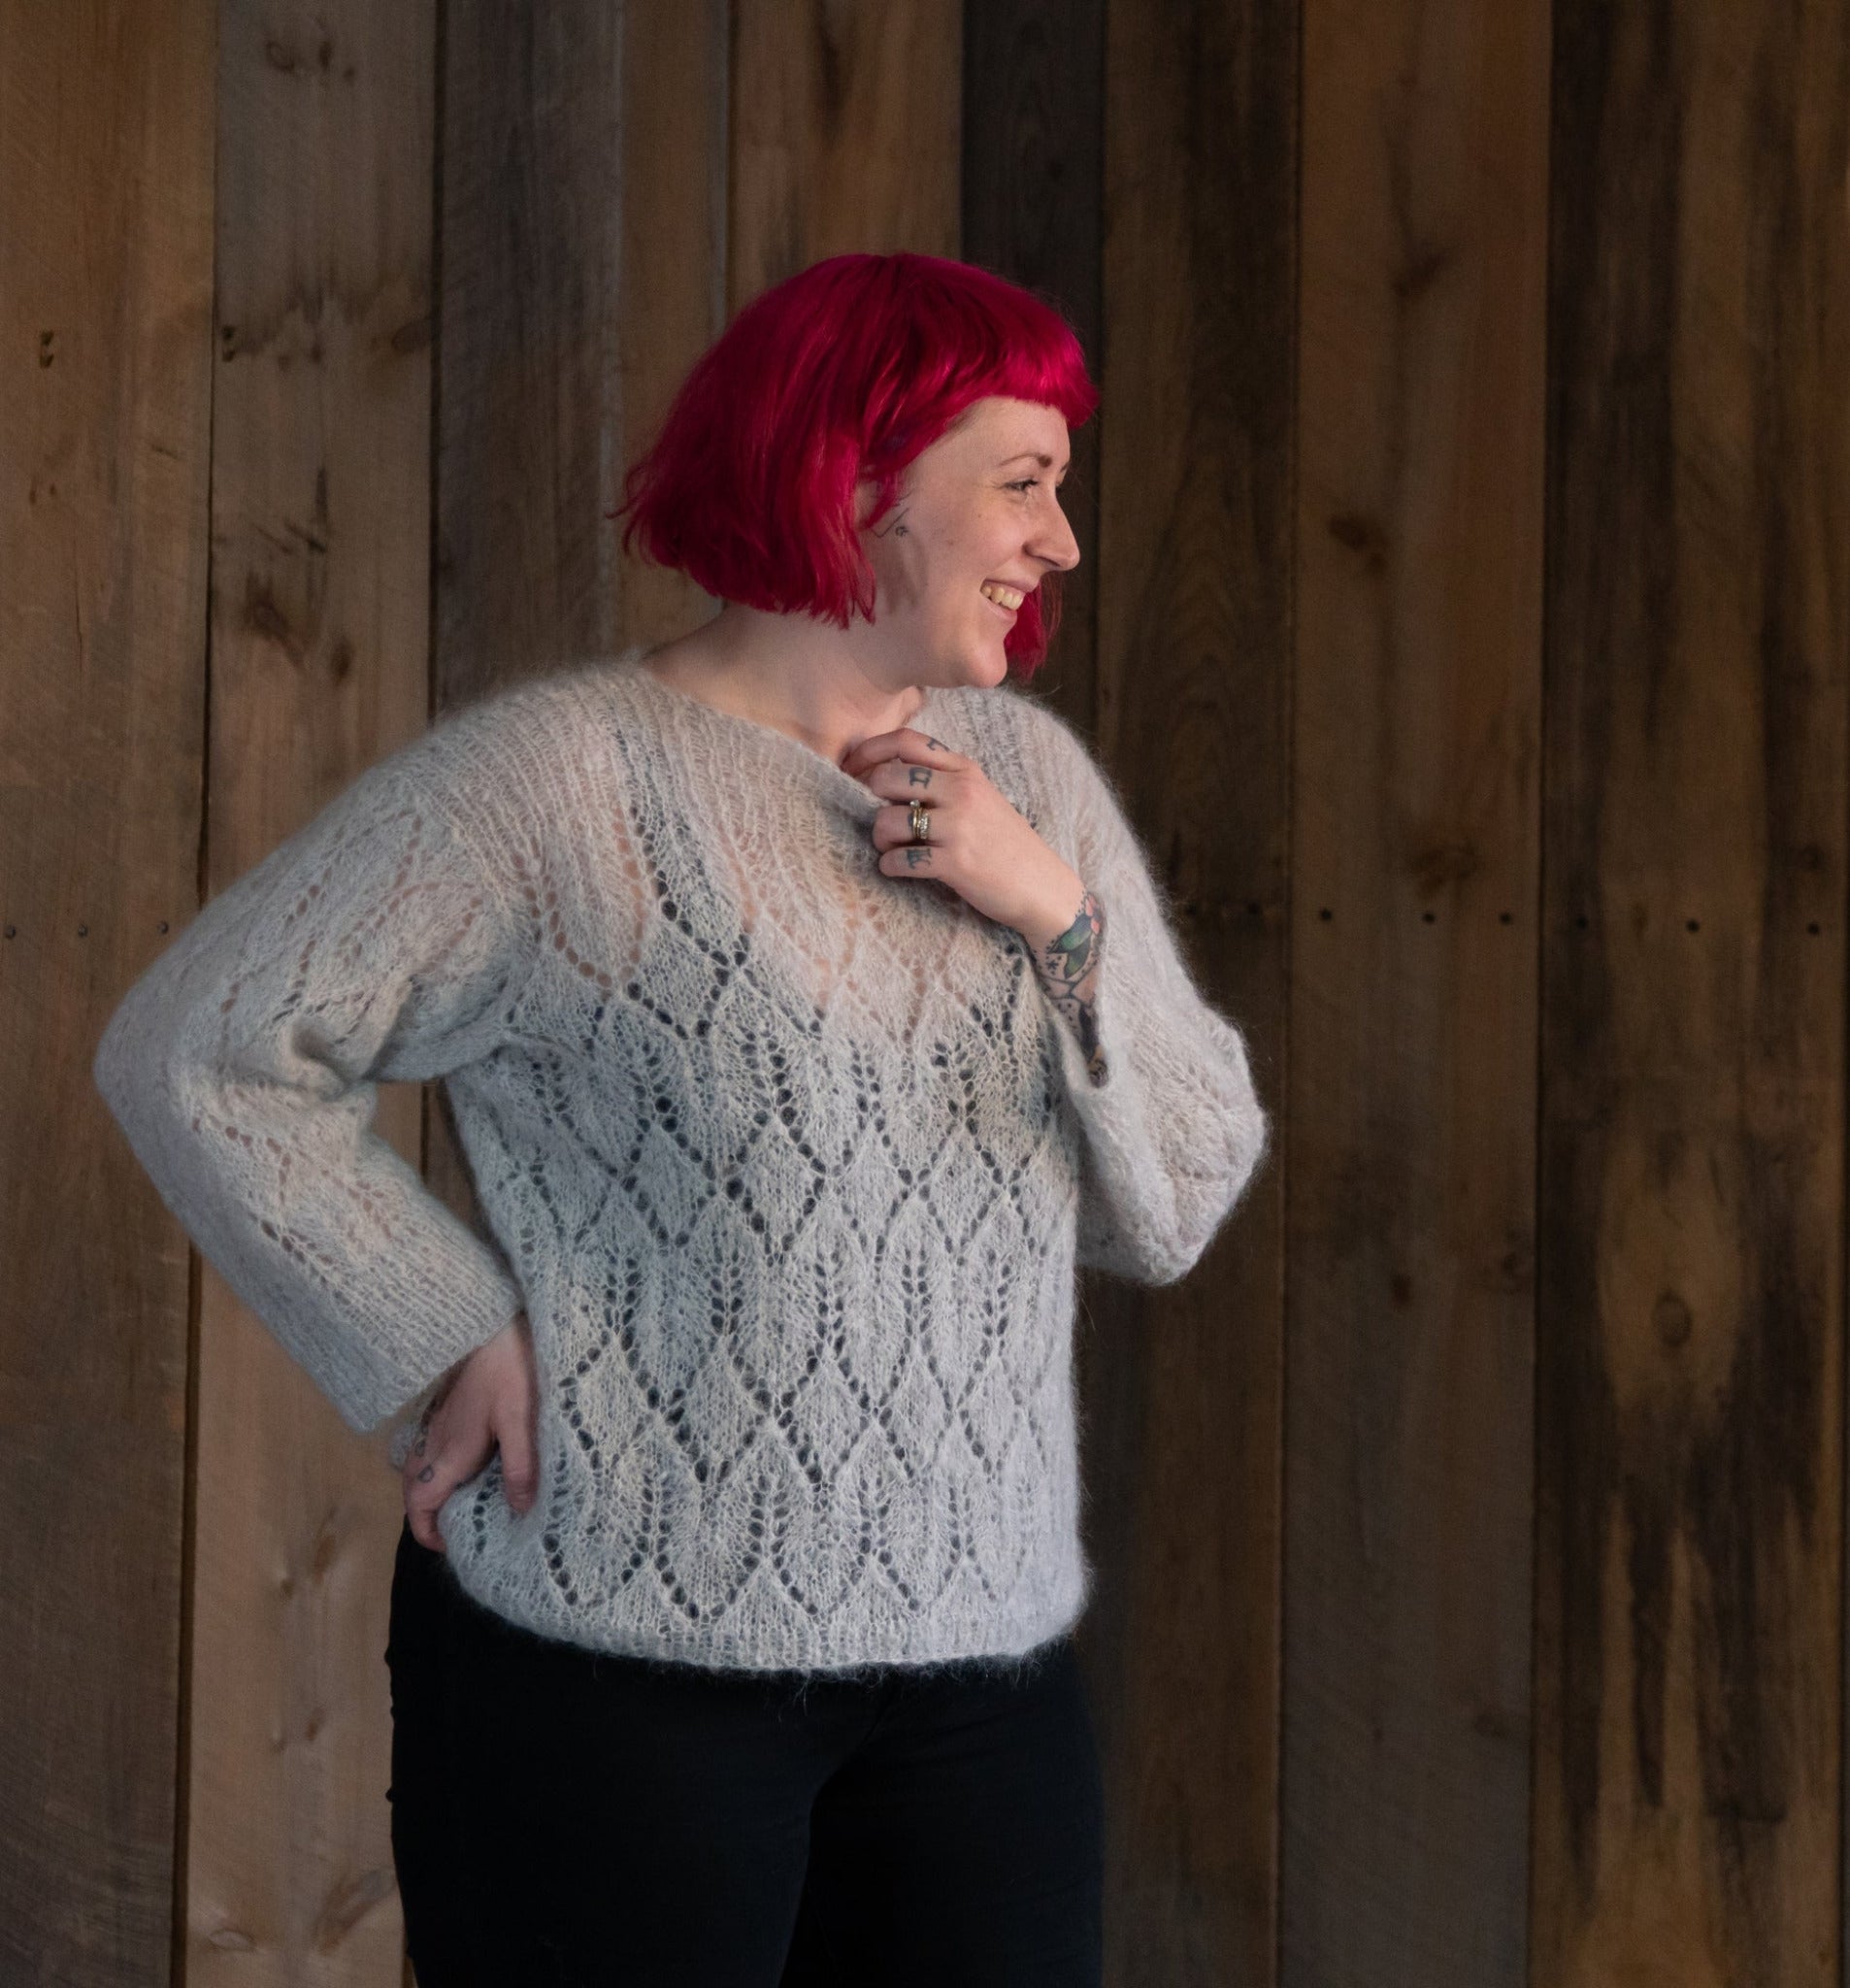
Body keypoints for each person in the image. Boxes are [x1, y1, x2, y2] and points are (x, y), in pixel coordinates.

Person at [92, 250, 1272, 1986]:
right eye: (1020, 485)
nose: (1059, 542)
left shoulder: (1028, 788)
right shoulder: (559, 788)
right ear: (857, 478)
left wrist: (1059, 921)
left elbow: (1173, 1197)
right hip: (616, 1663)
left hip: (981, 1669)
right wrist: (438, 1329)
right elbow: (199, 1046)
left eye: (1059, 492)